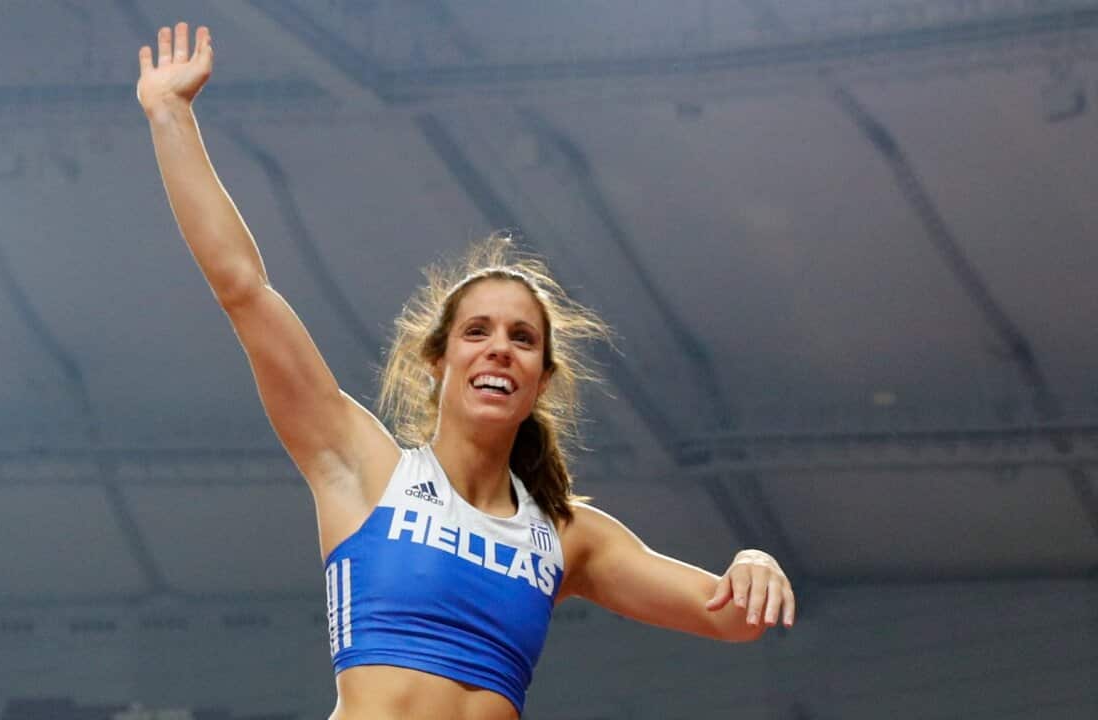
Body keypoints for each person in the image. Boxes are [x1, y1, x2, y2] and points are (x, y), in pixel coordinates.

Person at [137, 22, 795, 720]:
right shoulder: (362, 467)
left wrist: (754, 562)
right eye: (477, 332)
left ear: (541, 381)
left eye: (522, 338)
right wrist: (170, 115)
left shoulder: (568, 536)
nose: (499, 349)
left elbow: (733, 618)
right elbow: (244, 289)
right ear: (438, 360)